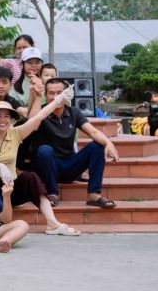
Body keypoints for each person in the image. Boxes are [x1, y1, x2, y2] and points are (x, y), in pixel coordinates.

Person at [0, 99, 79, 236]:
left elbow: (39, 116)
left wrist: (59, 99)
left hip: (10, 189)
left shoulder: (16, 133)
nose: (2, 120)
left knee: (31, 177)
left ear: (11, 119)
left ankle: (52, 223)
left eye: (6, 116)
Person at [29, 78, 121, 210]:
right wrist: (37, 97)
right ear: (46, 95)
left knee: (97, 145)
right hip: (47, 167)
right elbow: (31, 123)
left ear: (66, 94)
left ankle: (94, 195)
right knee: (44, 150)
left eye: (59, 93)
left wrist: (108, 143)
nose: (56, 97)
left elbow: (93, 132)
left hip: (69, 165)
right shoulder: (41, 113)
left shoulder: (73, 112)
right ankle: (52, 193)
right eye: (51, 93)